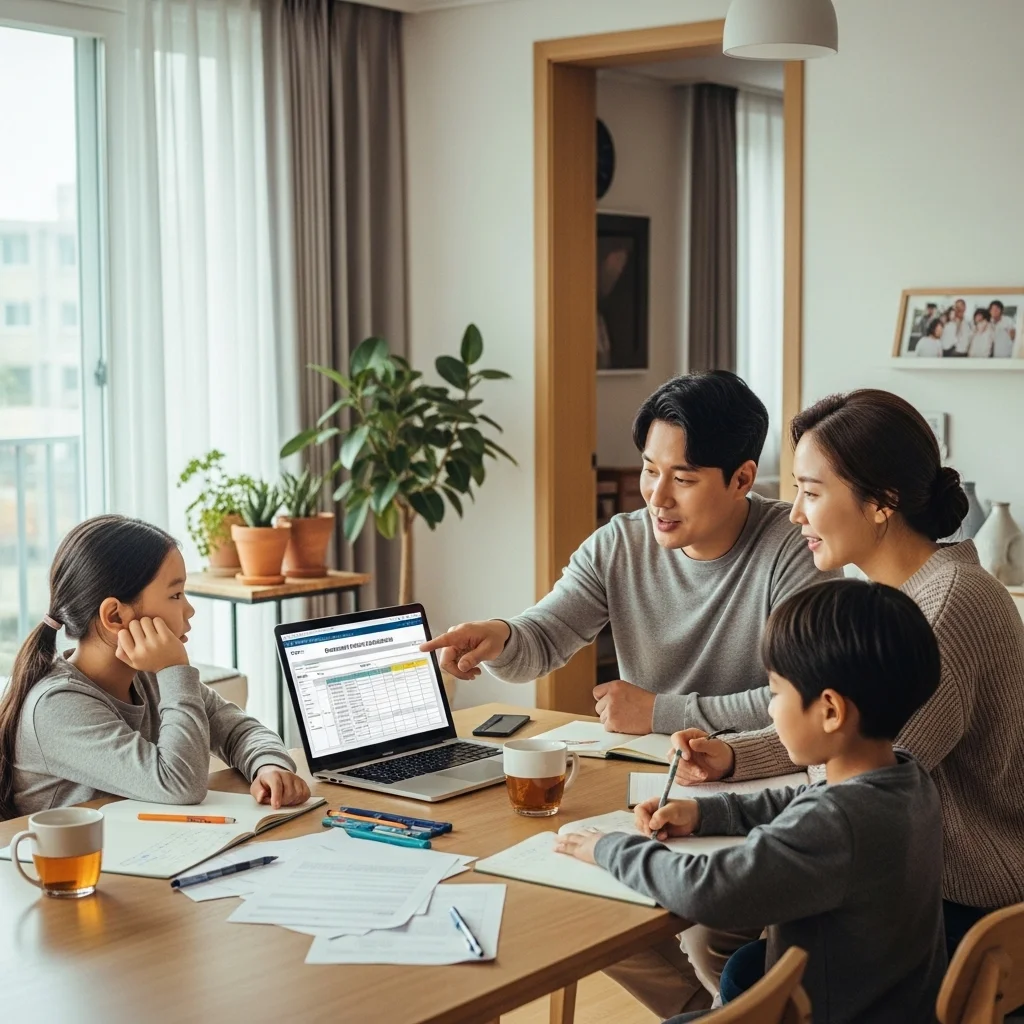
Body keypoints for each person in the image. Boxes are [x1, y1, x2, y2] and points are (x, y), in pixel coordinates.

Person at [668, 390, 1024, 964]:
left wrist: (720, 802)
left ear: (881, 503)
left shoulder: (941, 609)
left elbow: (855, 776)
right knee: (717, 934)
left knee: (718, 933)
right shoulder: (902, 591)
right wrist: (732, 757)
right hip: (920, 874)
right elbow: (850, 734)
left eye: (810, 492)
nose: (795, 514)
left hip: (962, 898)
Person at [555, 579, 947, 1024]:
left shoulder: (839, 822)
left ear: (831, 710)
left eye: (776, 692)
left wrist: (608, 848)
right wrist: (705, 813)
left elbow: (707, 890)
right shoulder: (906, 776)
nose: (770, 709)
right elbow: (805, 799)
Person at [421, 371, 836, 741]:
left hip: (756, 772)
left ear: (742, 478)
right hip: (646, 771)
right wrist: (499, 637)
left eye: (683, 478)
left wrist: (658, 713)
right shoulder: (619, 544)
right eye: (650, 470)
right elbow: (544, 639)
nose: (658, 497)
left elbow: (808, 696)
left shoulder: (795, 545)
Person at [0, 515, 310, 820]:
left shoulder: (148, 675)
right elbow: (180, 784)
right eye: (175, 594)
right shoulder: (57, 706)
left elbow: (238, 729)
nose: (189, 609)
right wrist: (174, 671)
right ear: (116, 617)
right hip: (76, 866)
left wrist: (269, 764)